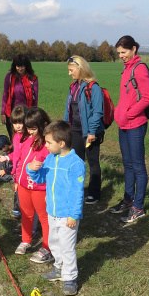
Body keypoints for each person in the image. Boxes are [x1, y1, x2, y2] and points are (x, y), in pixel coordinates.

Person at [27, 121, 85, 296]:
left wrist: (74, 215)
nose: (45, 146)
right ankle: (59, 268)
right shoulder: (51, 158)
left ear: (61, 143)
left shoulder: (76, 164)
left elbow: (77, 192)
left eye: (48, 143)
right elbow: (40, 179)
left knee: (67, 247)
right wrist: (32, 170)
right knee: (54, 243)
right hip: (52, 211)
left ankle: (70, 278)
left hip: (68, 215)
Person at [111, 35, 149, 224]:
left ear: (134, 49)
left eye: (124, 52)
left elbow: (146, 98)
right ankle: (128, 200)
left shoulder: (139, 69)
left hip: (135, 125)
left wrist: (128, 114)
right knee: (127, 164)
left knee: (138, 166)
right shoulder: (126, 69)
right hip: (124, 125)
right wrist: (120, 114)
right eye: (119, 53)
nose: (121, 56)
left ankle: (139, 206)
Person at [13, 106, 53, 263]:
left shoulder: (48, 146)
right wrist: (17, 179)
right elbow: (20, 161)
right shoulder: (27, 140)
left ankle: (47, 247)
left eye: (33, 129)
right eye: (28, 128)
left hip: (39, 189)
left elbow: (51, 169)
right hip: (23, 186)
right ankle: (26, 240)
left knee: (44, 217)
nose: (29, 132)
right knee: (26, 214)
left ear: (42, 125)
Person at [63, 55, 105, 204]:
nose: (69, 73)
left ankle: (94, 193)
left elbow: (97, 112)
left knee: (93, 162)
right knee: (76, 162)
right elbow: (68, 110)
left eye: (71, 70)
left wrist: (92, 132)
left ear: (80, 68)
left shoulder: (93, 87)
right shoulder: (73, 87)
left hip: (89, 133)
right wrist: (64, 128)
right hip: (74, 131)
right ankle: (76, 191)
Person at [1, 54, 38, 140]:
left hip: (26, 114)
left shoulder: (33, 79)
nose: (20, 69)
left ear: (26, 66)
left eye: (22, 66)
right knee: (13, 138)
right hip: (11, 114)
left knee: (26, 139)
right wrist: (3, 112)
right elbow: (5, 95)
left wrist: (34, 113)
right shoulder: (9, 77)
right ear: (15, 66)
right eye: (18, 66)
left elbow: (35, 98)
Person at [9, 105, 28, 218]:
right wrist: (7, 158)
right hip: (17, 169)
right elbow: (16, 153)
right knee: (17, 189)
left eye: (20, 122)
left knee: (23, 190)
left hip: (24, 170)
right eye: (15, 123)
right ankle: (17, 207)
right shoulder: (16, 136)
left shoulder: (27, 138)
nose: (18, 126)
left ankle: (23, 209)